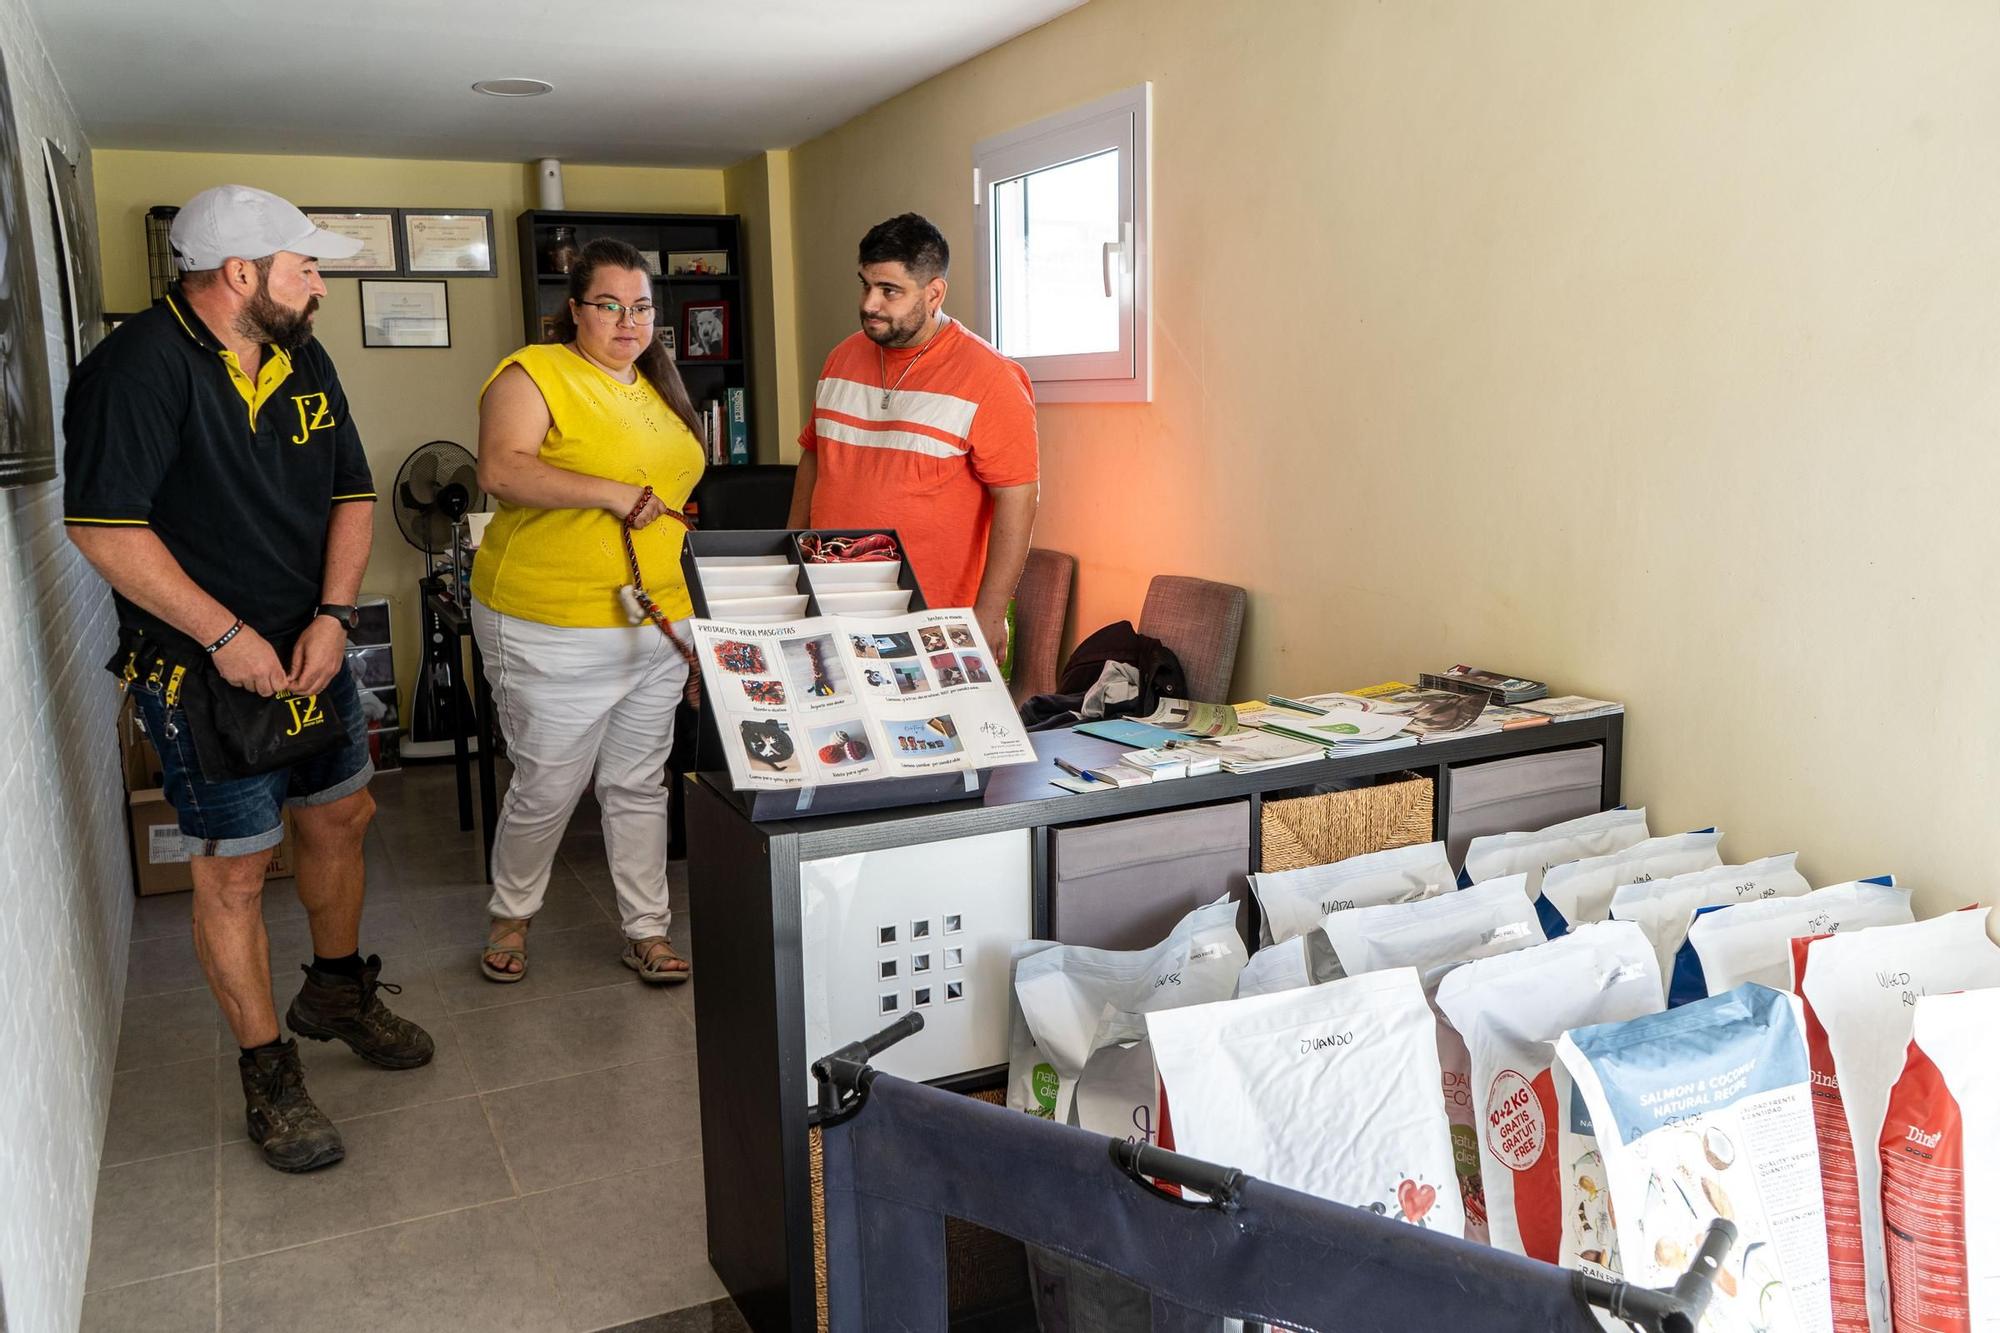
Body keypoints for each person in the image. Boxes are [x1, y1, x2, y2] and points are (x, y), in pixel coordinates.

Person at [64, 184, 432, 1174]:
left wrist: (332, 616)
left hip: (308, 646)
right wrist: (224, 633)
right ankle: (268, 1071)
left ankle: (340, 991)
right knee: (232, 870)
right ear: (240, 273)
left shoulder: (303, 356)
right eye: (303, 264)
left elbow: (353, 495)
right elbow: (104, 527)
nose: (318, 281)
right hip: (199, 669)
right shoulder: (133, 372)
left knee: (341, 817)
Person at [472, 238, 705, 986]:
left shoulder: (658, 388)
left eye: (641, 307)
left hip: (656, 621)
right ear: (575, 310)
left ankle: (647, 928)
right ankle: (511, 914)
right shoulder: (534, 372)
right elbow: (501, 468)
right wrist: (608, 493)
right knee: (548, 781)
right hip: (549, 621)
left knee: (639, 782)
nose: (627, 320)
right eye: (610, 305)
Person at [787, 213, 1038, 657]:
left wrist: (990, 611)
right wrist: (792, 557)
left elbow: (1018, 497)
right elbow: (815, 457)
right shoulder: (841, 358)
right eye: (865, 284)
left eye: (890, 291)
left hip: (932, 616)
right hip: (831, 603)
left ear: (934, 293)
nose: (870, 303)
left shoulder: (992, 378)